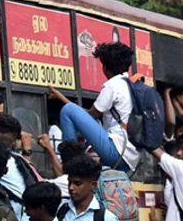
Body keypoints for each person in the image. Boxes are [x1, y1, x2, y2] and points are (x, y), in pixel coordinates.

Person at [49, 42, 142, 172]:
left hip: (116, 151)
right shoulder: (132, 86)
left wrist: (62, 99)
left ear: (105, 67)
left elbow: (90, 115)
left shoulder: (113, 85)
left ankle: (70, 168)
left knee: (68, 110)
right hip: (131, 158)